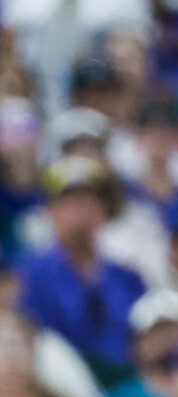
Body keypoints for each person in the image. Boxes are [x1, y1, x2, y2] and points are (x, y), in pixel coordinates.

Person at [17, 158, 148, 372]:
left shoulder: (126, 276)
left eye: (91, 200)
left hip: (126, 382)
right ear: (51, 209)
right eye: (72, 200)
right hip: (63, 383)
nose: (83, 209)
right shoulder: (30, 273)